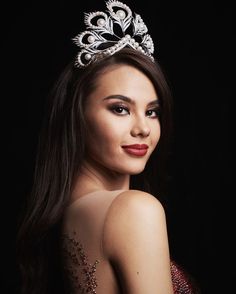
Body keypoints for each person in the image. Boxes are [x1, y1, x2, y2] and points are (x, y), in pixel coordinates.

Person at [16, 1, 200, 293]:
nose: (142, 128)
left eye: (152, 111)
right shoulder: (135, 210)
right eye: (120, 108)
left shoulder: (68, 214)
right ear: (77, 115)